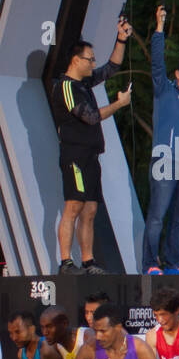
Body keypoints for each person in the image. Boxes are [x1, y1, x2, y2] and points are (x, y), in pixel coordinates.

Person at [50, 18, 132, 274]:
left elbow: (112, 68)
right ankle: (66, 262)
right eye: (90, 59)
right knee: (73, 205)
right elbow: (91, 116)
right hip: (74, 154)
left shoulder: (83, 83)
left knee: (91, 209)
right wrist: (119, 105)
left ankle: (88, 261)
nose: (93, 63)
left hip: (91, 155)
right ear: (76, 60)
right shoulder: (65, 86)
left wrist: (121, 39)